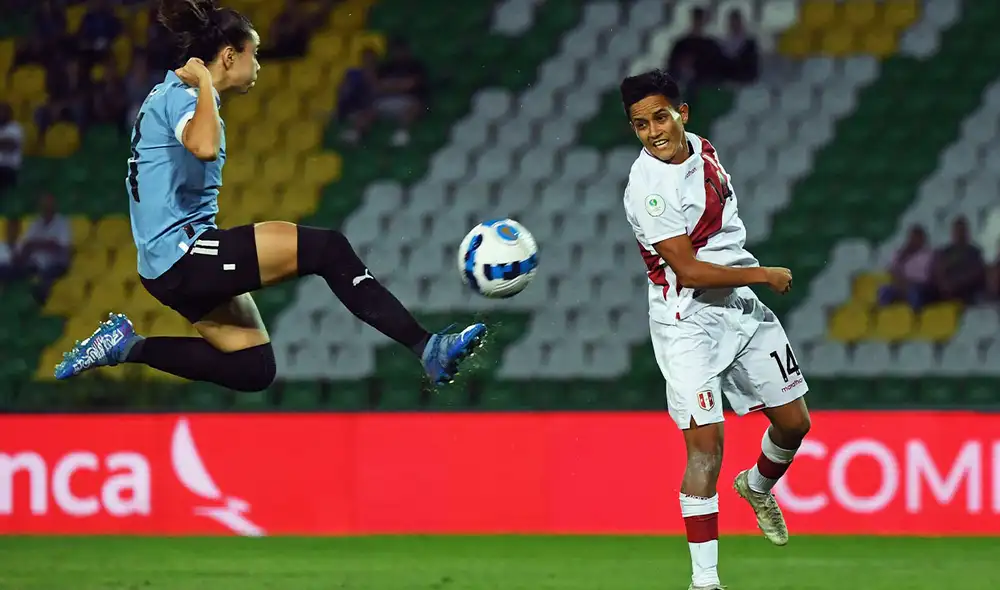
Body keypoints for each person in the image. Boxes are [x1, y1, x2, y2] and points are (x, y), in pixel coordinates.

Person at [54, 0, 486, 391]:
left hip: (168, 264)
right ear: (228, 56)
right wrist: (204, 80)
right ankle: (427, 347)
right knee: (328, 249)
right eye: (253, 54)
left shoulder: (171, 95)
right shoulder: (185, 95)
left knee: (253, 368)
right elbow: (202, 145)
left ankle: (128, 347)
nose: (258, 65)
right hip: (182, 255)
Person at [619, 70, 810, 590]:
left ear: (683, 113)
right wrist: (763, 273)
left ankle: (757, 486)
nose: (653, 131)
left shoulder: (703, 149)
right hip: (687, 322)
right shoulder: (647, 189)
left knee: (795, 424)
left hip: (738, 308)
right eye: (640, 125)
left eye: (660, 116)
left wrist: (747, 281)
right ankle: (706, 581)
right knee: (706, 448)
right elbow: (689, 270)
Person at [930, 216, 986, 304]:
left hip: (967, 289)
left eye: (962, 231)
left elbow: (977, 273)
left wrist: (956, 283)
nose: (960, 234)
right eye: (957, 231)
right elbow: (937, 271)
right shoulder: (945, 252)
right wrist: (944, 284)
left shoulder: (974, 252)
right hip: (945, 289)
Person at [878, 224, 933, 308]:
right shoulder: (902, 254)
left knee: (914, 292)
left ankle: (915, 318)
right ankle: (884, 317)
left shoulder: (927, 255)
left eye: (916, 238)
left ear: (922, 239)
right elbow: (892, 270)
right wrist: (902, 257)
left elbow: (925, 276)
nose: (912, 241)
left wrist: (907, 283)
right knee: (884, 290)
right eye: (911, 238)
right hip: (900, 285)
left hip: (919, 287)